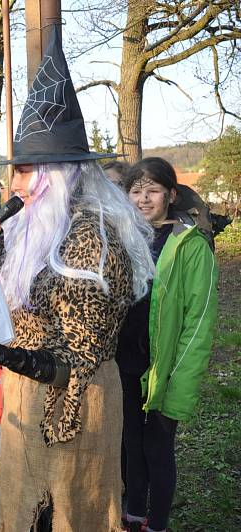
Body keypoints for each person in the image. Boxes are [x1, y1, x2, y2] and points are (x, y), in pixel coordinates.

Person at [0, 27, 156, 531]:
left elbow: (76, 357)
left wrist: (2, 355)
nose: (14, 185)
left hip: (77, 404)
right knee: (24, 510)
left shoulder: (95, 238)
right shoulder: (43, 228)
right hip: (28, 394)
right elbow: (38, 301)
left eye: (24, 172)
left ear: (57, 174)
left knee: (67, 517)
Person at [118, 157, 217, 532]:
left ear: (171, 195)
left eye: (153, 191)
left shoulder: (189, 246)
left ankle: (157, 524)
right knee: (131, 447)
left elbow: (199, 322)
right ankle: (133, 518)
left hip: (165, 369)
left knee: (157, 451)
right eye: (136, 191)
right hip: (125, 365)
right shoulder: (125, 238)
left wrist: (179, 382)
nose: (144, 199)